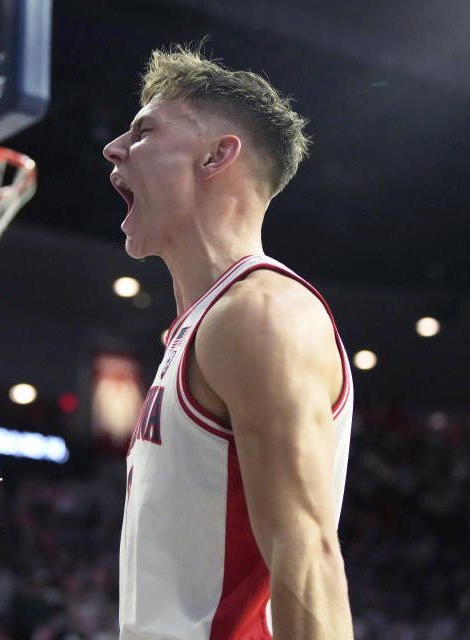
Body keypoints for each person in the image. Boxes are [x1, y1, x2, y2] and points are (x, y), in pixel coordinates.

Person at [103, 44, 354, 639]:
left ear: (217, 156)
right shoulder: (200, 326)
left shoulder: (260, 313)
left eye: (144, 131)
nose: (114, 148)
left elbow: (308, 555)